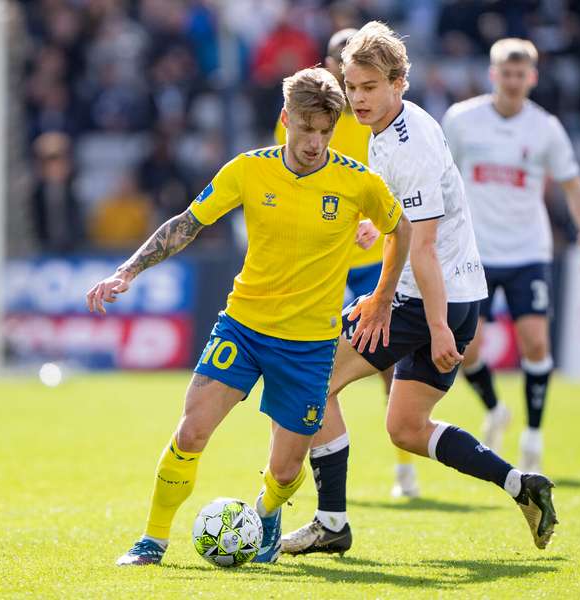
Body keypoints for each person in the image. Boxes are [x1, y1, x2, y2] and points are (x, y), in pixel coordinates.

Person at [87, 66, 411, 566]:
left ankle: (266, 516)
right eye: (307, 129)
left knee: (285, 472)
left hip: (309, 346)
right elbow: (188, 223)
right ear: (286, 120)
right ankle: (151, 540)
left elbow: (401, 229)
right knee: (191, 431)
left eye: (325, 131)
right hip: (243, 326)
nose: (315, 142)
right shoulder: (249, 169)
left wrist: (384, 294)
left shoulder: (356, 181)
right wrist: (128, 271)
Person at [282, 22, 558, 557]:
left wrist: (418, 319)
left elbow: (425, 249)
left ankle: (329, 522)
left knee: (310, 379)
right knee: (407, 428)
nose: (357, 99)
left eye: (368, 88)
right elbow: (407, 220)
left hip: (430, 300)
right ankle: (521, 485)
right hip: (453, 295)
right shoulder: (395, 127)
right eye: (351, 86)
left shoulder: (408, 144)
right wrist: (378, 227)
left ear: (399, 82)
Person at [274, 28, 420, 499]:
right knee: (303, 363)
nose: (347, 78)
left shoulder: (375, 116)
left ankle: (403, 470)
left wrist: (376, 224)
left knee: (385, 368)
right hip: (324, 261)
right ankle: (293, 475)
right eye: (340, 64)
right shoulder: (314, 116)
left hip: (374, 258)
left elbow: (395, 190)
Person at [442, 38, 580, 471]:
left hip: (529, 249)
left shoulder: (545, 128)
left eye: (520, 75)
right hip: (475, 251)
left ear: (532, 77)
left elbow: (573, 183)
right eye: (505, 74)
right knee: (466, 351)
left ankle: (532, 436)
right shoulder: (462, 120)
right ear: (494, 75)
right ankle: (494, 407)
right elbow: (438, 175)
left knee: (535, 341)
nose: (513, 82)